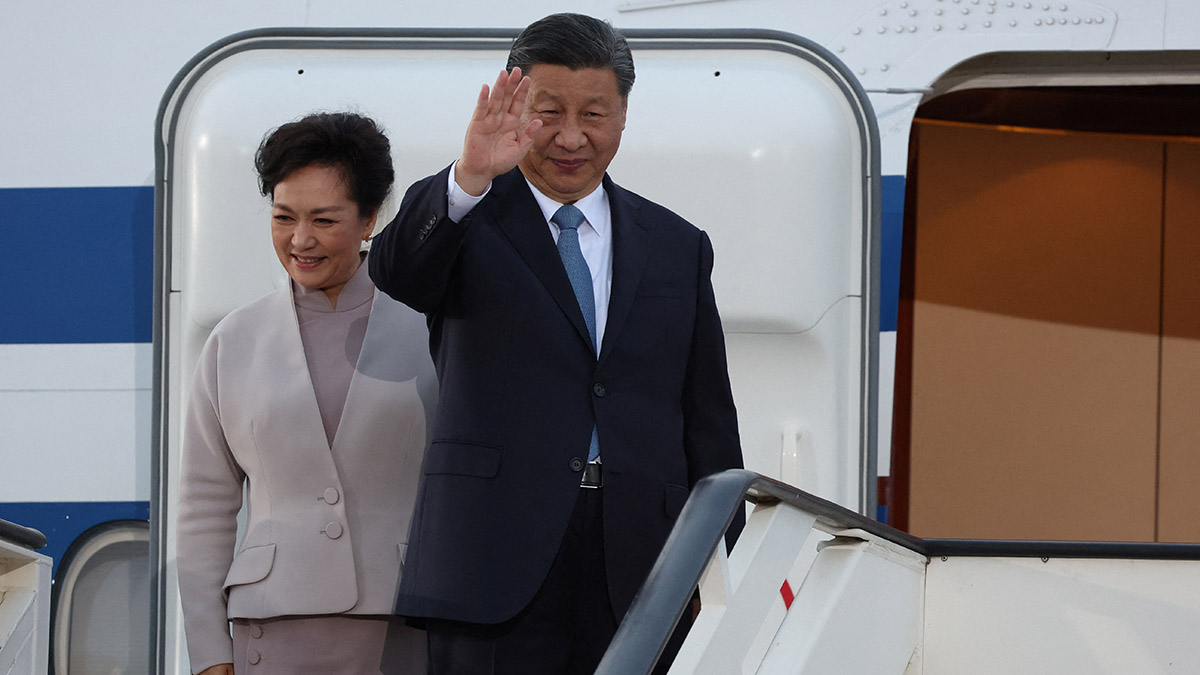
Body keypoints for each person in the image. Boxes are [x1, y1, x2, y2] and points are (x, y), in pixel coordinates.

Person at [368, 13, 743, 674]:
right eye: (550, 112)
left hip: (642, 567)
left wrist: (713, 563)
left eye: (594, 114)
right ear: (518, 105)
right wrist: (468, 176)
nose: (572, 137)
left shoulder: (678, 246)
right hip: (490, 561)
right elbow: (397, 270)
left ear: (624, 114)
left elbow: (707, 419)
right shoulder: (470, 217)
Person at [176, 112, 434, 674]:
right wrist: (208, 654)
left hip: (405, 627)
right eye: (283, 218)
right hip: (269, 631)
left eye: (323, 219)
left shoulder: (431, 328)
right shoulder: (233, 341)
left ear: (369, 219)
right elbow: (203, 507)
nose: (300, 240)